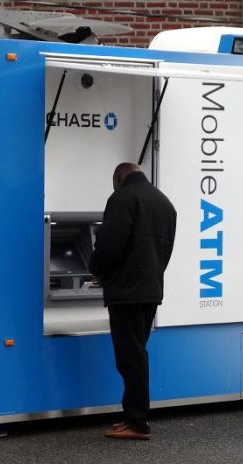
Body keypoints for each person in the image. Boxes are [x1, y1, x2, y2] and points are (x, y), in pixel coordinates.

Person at [88, 162, 176, 440]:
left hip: (126, 291)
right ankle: (133, 417)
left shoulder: (122, 198)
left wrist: (97, 271)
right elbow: (166, 248)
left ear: (118, 177)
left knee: (131, 357)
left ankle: (137, 423)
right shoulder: (163, 202)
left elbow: (109, 246)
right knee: (136, 352)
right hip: (150, 289)